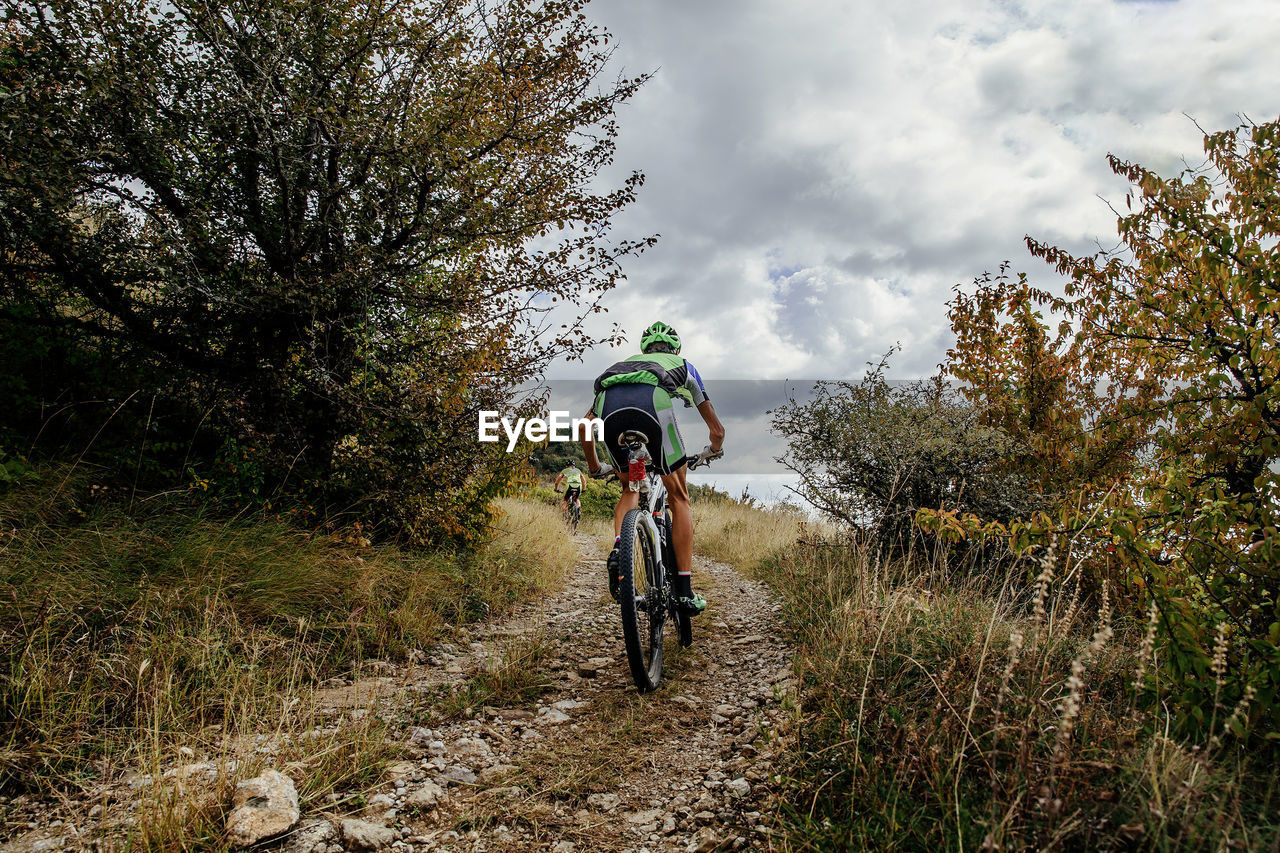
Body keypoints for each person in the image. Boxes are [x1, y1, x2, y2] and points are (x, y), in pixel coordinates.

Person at [576, 321, 725, 616]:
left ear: (643, 349)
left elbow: (584, 425)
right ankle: (683, 592)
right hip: (653, 406)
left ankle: (621, 547)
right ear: (676, 348)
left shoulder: (618, 368)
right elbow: (717, 431)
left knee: (630, 487)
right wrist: (712, 451)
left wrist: (595, 467)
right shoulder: (684, 365)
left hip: (611, 409)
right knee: (679, 497)